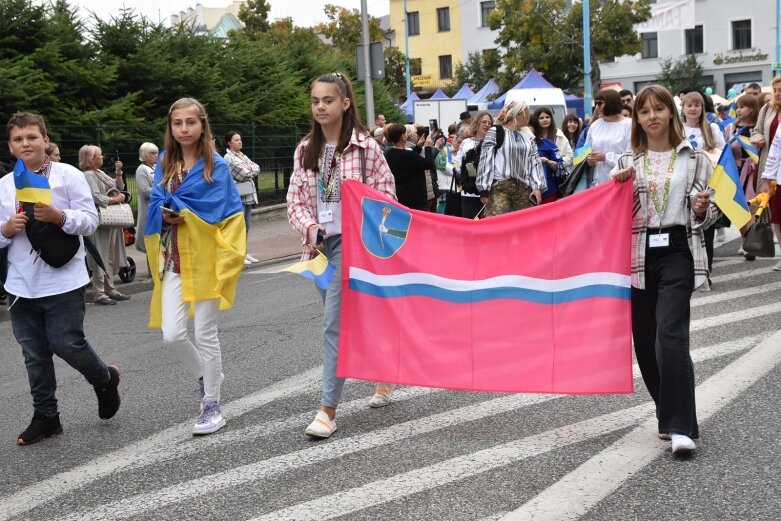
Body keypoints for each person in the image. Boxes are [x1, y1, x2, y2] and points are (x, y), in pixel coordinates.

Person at [287, 72, 397, 438]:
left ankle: (327, 410)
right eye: (315, 100)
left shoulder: (368, 149)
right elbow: (295, 203)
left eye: (328, 100)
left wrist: (365, 223)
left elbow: (388, 199)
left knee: (334, 324)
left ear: (345, 103)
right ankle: (386, 371)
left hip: (356, 245)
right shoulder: (305, 150)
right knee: (354, 318)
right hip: (319, 247)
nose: (320, 107)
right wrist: (310, 228)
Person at [1, 112, 121, 445]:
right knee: (34, 355)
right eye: (18, 139)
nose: (25, 143)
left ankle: (104, 379)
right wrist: (5, 230)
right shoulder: (6, 185)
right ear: (11, 147)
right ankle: (47, 417)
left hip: (63, 280)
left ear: (44, 140)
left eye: (31, 137)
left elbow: (90, 221)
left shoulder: (66, 175)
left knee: (66, 343)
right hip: (21, 284)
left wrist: (59, 216)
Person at [611, 85, 717, 455]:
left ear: (672, 113)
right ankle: (666, 411)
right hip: (637, 255)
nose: (652, 116)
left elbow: (711, 214)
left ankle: (682, 427)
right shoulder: (626, 162)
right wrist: (616, 188)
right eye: (644, 111)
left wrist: (703, 208)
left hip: (677, 251)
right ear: (636, 119)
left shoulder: (697, 158)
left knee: (670, 335)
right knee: (645, 342)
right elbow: (610, 216)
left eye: (659, 109)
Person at [144, 98, 245, 436]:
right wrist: (164, 213)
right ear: (170, 128)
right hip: (172, 256)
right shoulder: (164, 162)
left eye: (190, 122)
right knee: (172, 334)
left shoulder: (214, 165)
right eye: (177, 124)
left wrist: (185, 213)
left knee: (204, 331)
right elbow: (156, 202)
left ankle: (212, 404)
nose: (184, 129)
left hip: (206, 257)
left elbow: (227, 211)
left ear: (203, 124)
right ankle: (207, 373)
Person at [681, 91, 727, 275]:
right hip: (683, 183)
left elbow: (723, 155)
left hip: (705, 184)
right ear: (683, 107)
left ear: (702, 108)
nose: (693, 109)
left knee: (705, 226)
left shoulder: (711, 128)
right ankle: (686, 269)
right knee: (684, 228)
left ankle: (705, 270)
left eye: (697, 105)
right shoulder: (676, 128)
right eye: (689, 105)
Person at [79, 145, 131, 306]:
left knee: (110, 253)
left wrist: (118, 172)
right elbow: (96, 196)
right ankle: (99, 292)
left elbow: (118, 186)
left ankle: (110, 288)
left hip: (110, 219)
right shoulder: (88, 174)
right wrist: (117, 199)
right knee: (101, 253)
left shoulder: (98, 173)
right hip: (101, 219)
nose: (102, 158)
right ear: (91, 159)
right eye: (99, 155)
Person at [477, 100, 545, 217]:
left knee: (527, 225)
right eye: (526, 112)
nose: (529, 115)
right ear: (516, 114)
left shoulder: (528, 135)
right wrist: (484, 189)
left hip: (524, 187)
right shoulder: (496, 131)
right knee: (495, 225)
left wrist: (537, 187)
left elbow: (535, 162)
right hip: (500, 187)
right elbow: (486, 160)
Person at [751, 75, 781, 269]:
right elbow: (755, 130)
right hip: (770, 165)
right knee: (776, 214)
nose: (778, 94)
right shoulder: (767, 108)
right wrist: (758, 137)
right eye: (776, 90)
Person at [223, 131, 260, 265]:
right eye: (236, 140)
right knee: (239, 226)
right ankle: (238, 254)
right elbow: (244, 174)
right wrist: (249, 169)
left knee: (247, 226)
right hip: (238, 196)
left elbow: (257, 167)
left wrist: (249, 169)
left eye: (240, 139)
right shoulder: (229, 158)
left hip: (248, 194)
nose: (240, 142)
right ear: (229, 143)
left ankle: (244, 251)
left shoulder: (242, 155)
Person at [586, 89, 632, 186]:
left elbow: (632, 156)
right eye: (596, 104)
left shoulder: (629, 124)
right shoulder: (595, 126)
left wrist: (606, 157)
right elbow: (586, 150)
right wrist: (590, 159)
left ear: (611, 103)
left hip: (621, 182)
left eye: (600, 104)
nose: (597, 107)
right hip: (598, 183)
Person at [383, 123, 434, 210]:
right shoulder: (409, 155)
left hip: (398, 195)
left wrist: (418, 147)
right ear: (403, 136)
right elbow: (429, 164)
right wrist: (428, 147)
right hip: (414, 199)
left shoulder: (387, 153)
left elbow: (406, 159)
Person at [453, 110, 493, 219]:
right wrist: (463, 174)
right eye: (483, 122)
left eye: (489, 123)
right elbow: (457, 163)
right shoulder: (466, 143)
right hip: (469, 192)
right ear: (477, 123)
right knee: (470, 226)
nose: (487, 125)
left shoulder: (493, 144)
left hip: (489, 193)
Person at [529, 111, 564, 203]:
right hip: (525, 194)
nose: (526, 128)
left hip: (548, 193)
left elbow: (560, 166)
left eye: (529, 125)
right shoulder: (515, 146)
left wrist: (547, 161)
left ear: (535, 127)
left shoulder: (548, 144)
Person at [134, 142, 158, 256]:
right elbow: (145, 191)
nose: (156, 155)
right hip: (149, 210)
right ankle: (152, 271)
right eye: (153, 153)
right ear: (145, 154)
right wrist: (162, 190)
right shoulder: (141, 169)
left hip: (159, 209)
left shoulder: (156, 167)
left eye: (157, 153)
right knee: (151, 241)